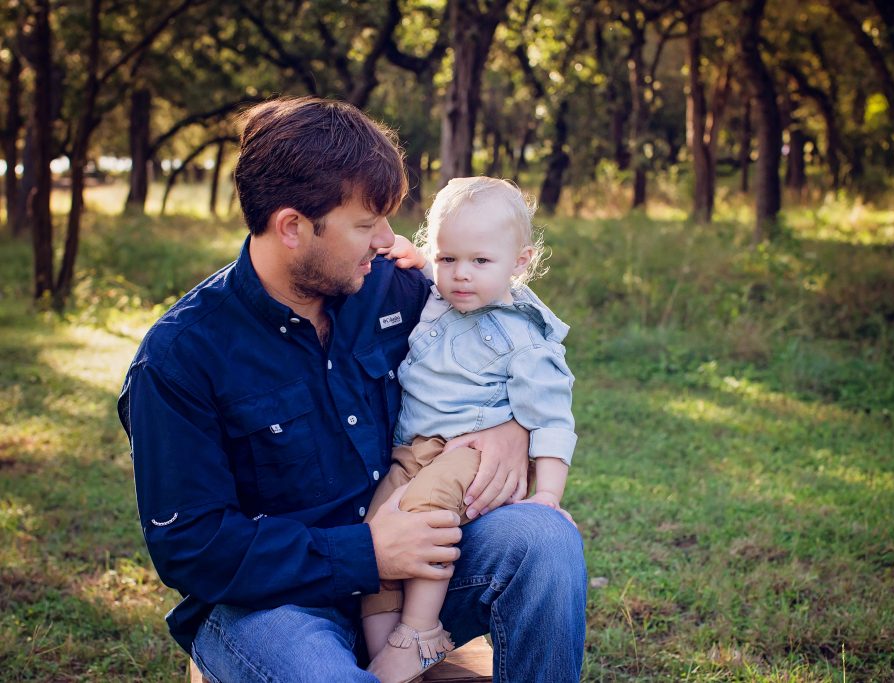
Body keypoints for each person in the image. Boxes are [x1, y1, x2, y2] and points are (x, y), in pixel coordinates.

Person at [117, 96, 587, 682]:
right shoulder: (182, 357)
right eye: (366, 225)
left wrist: (513, 427)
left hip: (417, 577)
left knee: (544, 541)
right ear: (293, 227)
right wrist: (368, 553)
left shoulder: (398, 289)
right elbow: (190, 545)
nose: (386, 239)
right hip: (273, 606)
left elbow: (511, 330)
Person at [362, 177, 578, 683]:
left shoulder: (522, 336)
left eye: (480, 261)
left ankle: (419, 630)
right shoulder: (442, 295)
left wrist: (546, 494)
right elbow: (418, 259)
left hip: (471, 451)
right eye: (447, 259)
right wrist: (408, 254)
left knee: (423, 517)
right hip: (413, 450)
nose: (461, 275)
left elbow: (551, 418)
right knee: (373, 533)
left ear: (520, 261)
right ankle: (388, 652)